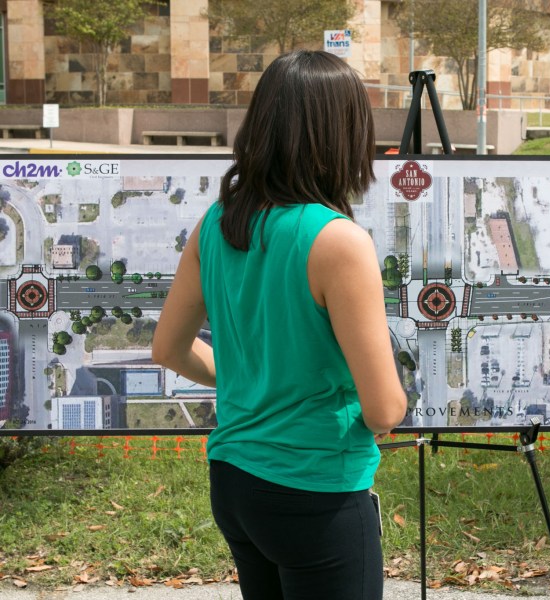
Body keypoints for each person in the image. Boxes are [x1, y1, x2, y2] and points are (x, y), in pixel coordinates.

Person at [152, 50, 408, 600]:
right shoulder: (338, 240)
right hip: (316, 490)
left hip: (235, 481)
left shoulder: (217, 223)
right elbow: (384, 408)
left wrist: (258, 383)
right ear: (343, 134)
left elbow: (169, 348)